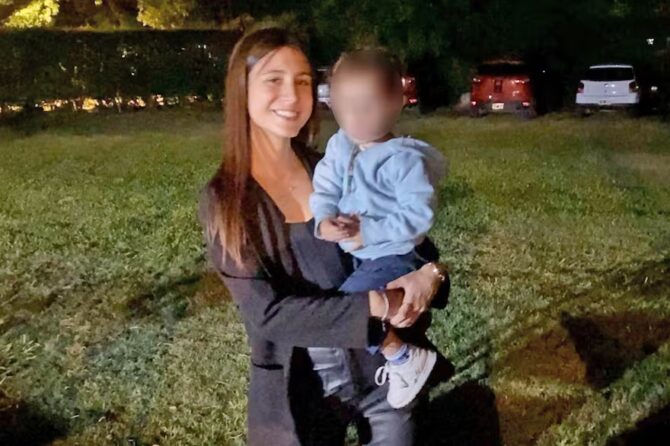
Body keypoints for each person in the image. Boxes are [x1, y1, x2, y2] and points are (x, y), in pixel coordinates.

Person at [197, 27, 450, 446]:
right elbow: (268, 314)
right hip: (304, 389)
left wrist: (433, 274)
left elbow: (409, 244)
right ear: (242, 89)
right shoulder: (227, 200)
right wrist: (375, 303)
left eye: (302, 81)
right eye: (274, 79)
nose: (292, 95)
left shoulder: (334, 167)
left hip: (383, 380)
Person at [309, 48, 448, 410]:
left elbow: (418, 215)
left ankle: (403, 357)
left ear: (397, 102)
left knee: (346, 309)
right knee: (350, 309)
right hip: (361, 257)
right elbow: (325, 188)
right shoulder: (340, 145)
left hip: (394, 255)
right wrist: (324, 219)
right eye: (344, 106)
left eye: (367, 105)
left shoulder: (404, 160)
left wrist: (368, 232)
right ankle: (416, 359)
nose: (355, 116)